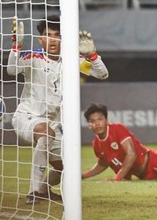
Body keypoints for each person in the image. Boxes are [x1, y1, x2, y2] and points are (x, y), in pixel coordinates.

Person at [8, 15, 109, 204]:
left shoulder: (72, 61)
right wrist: (16, 46)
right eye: (48, 35)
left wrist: (92, 55)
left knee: (67, 167)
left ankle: (44, 190)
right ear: (41, 39)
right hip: (27, 117)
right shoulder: (34, 57)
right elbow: (11, 70)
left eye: (57, 35)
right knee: (46, 133)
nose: (53, 40)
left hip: (53, 124)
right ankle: (34, 192)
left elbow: (103, 74)